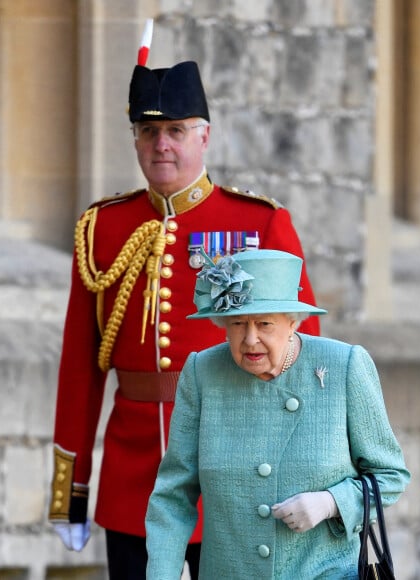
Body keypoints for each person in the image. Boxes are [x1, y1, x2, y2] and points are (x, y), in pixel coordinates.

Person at [47, 50, 321, 578]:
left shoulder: (258, 224)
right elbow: (80, 369)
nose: (161, 145)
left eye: (175, 130)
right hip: (134, 480)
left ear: (204, 137)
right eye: (148, 133)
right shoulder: (102, 228)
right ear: (134, 140)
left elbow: (304, 361)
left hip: (239, 472)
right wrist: (71, 490)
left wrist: (307, 476)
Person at [145, 249, 410, 579]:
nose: (250, 339)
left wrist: (331, 503)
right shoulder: (203, 373)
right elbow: (173, 496)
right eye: (238, 323)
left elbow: (390, 476)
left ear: (292, 322)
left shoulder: (344, 367)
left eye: (265, 324)